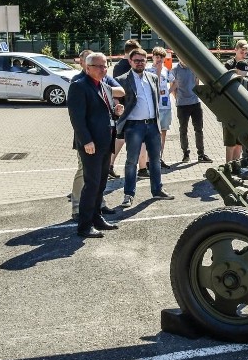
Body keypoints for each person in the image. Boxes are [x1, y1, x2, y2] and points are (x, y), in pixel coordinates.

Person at [67, 52, 124, 238]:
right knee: (91, 185)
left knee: (101, 183)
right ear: (87, 67)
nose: (103, 69)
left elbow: (105, 114)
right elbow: (77, 118)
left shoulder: (104, 86)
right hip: (91, 144)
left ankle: (97, 218)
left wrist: (116, 112)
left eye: (105, 65)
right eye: (99, 66)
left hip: (105, 141)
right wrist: (86, 141)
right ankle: (84, 226)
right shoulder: (79, 86)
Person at [116, 48, 175, 207]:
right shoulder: (122, 80)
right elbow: (116, 100)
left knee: (155, 160)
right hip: (134, 126)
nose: (140, 63)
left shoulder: (153, 78)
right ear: (130, 61)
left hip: (152, 125)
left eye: (142, 60)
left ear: (146, 61)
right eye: (136, 60)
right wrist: (118, 109)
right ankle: (128, 194)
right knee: (131, 161)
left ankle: (157, 190)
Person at [170, 57, 212, 164]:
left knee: (199, 129)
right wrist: (179, 99)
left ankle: (201, 154)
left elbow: (197, 83)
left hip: (195, 103)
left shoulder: (193, 68)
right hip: (182, 105)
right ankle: (185, 154)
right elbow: (173, 88)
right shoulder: (174, 70)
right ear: (179, 57)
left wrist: (196, 96)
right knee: (183, 130)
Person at [109, 39, 142, 178]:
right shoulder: (122, 67)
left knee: (130, 139)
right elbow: (118, 90)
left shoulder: (120, 66)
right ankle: (109, 165)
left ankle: (144, 166)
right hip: (126, 108)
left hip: (130, 107)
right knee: (120, 139)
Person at [223, 39, 248, 164]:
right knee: (230, 142)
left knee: (239, 141)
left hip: (244, 106)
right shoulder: (229, 64)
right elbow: (225, 81)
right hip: (231, 106)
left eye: (246, 50)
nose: (245, 53)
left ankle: (236, 165)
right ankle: (228, 166)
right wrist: (244, 81)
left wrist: (242, 81)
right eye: (242, 50)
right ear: (236, 50)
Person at [146, 47, 172, 170]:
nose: (159, 59)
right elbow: (153, 84)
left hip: (165, 106)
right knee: (152, 134)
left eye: (161, 57)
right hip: (153, 107)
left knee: (163, 132)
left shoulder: (166, 70)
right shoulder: (148, 70)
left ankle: (159, 158)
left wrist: (169, 92)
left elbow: (174, 81)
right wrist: (158, 69)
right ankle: (148, 160)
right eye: (157, 57)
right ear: (153, 57)